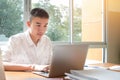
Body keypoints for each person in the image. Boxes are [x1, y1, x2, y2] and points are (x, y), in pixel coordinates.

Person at [2, 8, 53, 72]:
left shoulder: (47, 41)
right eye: (38, 25)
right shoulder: (15, 40)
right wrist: (32, 67)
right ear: (29, 24)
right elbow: (2, 64)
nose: (42, 30)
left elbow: (52, 64)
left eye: (45, 26)